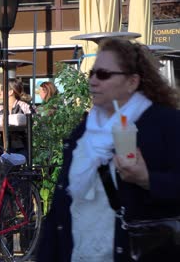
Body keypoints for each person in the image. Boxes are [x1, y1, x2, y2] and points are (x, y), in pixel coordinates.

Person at [38, 38, 180, 261]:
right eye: (92, 73)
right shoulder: (83, 131)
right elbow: (60, 209)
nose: (93, 81)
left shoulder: (165, 124)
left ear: (132, 81)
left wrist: (147, 179)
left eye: (103, 74)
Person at [0, 79, 31, 155]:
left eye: (2, 89)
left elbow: (34, 122)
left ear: (11, 92)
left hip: (22, 146)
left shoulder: (25, 106)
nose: (0, 92)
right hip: (2, 146)